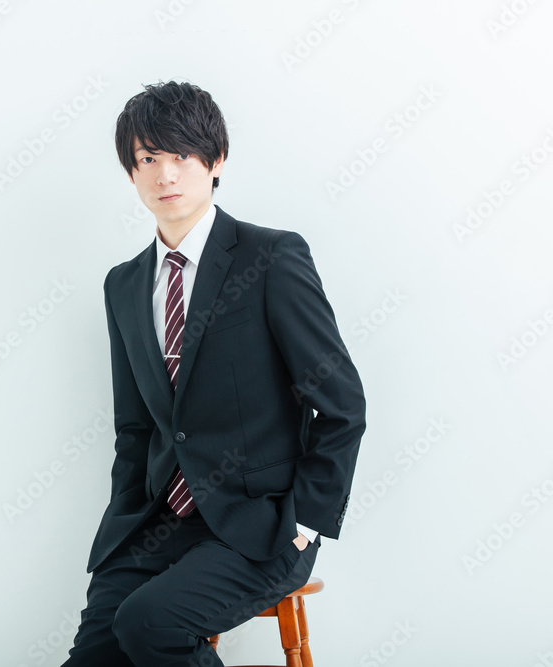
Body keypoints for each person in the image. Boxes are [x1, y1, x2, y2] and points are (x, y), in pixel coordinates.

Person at [61, 80, 366, 667]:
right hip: (157, 523)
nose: (165, 174)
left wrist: (305, 521)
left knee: (150, 624)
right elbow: (135, 427)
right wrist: (124, 522)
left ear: (216, 159)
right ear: (131, 172)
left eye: (182, 155)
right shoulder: (123, 285)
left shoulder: (271, 257)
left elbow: (341, 404)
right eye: (148, 158)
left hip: (263, 525)